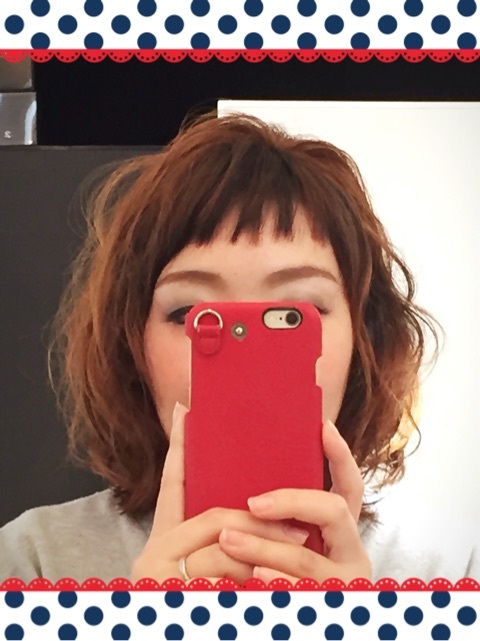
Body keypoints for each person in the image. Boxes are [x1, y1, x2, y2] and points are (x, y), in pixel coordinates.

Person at [0, 113, 477, 585]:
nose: (251, 368)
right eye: (191, 313)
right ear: (132, 346)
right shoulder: (33, 562)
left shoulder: (453, 572)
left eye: (294, 313)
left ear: (363, 339)